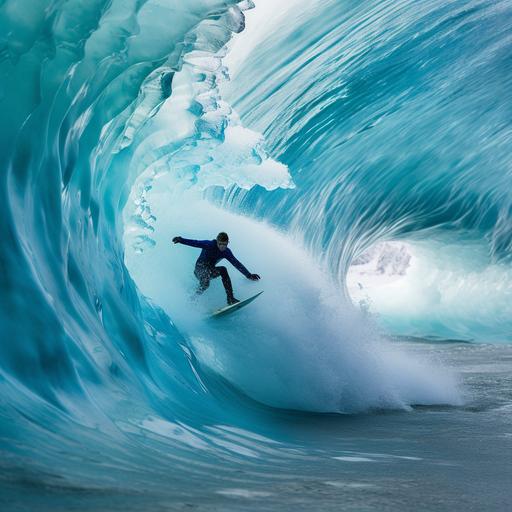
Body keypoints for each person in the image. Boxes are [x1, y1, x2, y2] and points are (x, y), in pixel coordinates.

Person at [172, 232, 260, 305]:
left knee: (221, 271)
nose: (222, 246)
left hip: (210, 270)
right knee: (206, 283)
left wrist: (248, 275)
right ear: (217, 242)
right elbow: (195, 243)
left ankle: (230, 299)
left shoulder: (226, 252)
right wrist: (181, 240)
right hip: (199, 270)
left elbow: (236, 263)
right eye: (220, 244)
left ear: (227, 243)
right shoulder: (209, 244)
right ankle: (191, 300)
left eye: (224, 244)